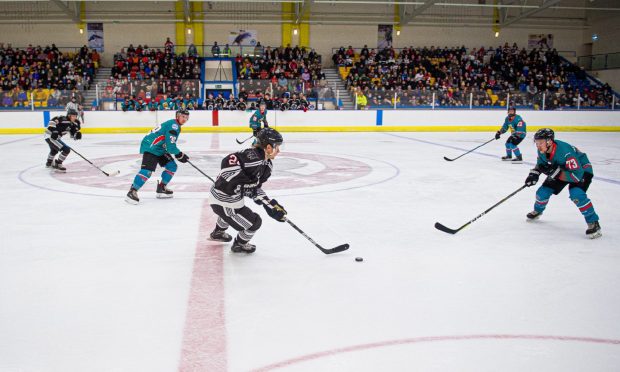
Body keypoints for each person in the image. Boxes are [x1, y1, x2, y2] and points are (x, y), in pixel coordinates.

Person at [207, 128, 286, 253]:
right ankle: (239, 244)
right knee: (255, 222)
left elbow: (254, 189)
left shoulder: (267, 166)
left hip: (228, 200)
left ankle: (218, 232)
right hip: (223, 200)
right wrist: (239, 182)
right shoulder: (253, 157)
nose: (279, 150)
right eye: (277, 147)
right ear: (269, 147)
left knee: (230, 213)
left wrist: (269, 205)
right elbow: (228, 161)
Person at [524, 128, 601, 239]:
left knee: (577, 195)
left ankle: (593, 222)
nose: (538, 145)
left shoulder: (565, 152)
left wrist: (556, 173)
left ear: (549, 141)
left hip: (581, 170)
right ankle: (538, 211)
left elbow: (576, 176)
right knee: (542, 193)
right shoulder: (542, 150)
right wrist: (534, 174)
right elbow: (541, 165)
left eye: (540, 142)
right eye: (536, 143)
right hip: (562, 169)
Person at [125, 109, 191, 204]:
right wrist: (179, 154)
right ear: (177, 116)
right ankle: (132, 191)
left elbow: (168, 145)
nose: (185, 119)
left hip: (159, 148)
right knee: (147, 171)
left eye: (187, 118)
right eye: (183, 117)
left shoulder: (175, 125)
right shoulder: (174, 125)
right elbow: (171, 147)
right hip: (151, 146)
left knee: (172, 166)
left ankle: (161, 188)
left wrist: (178, 154)